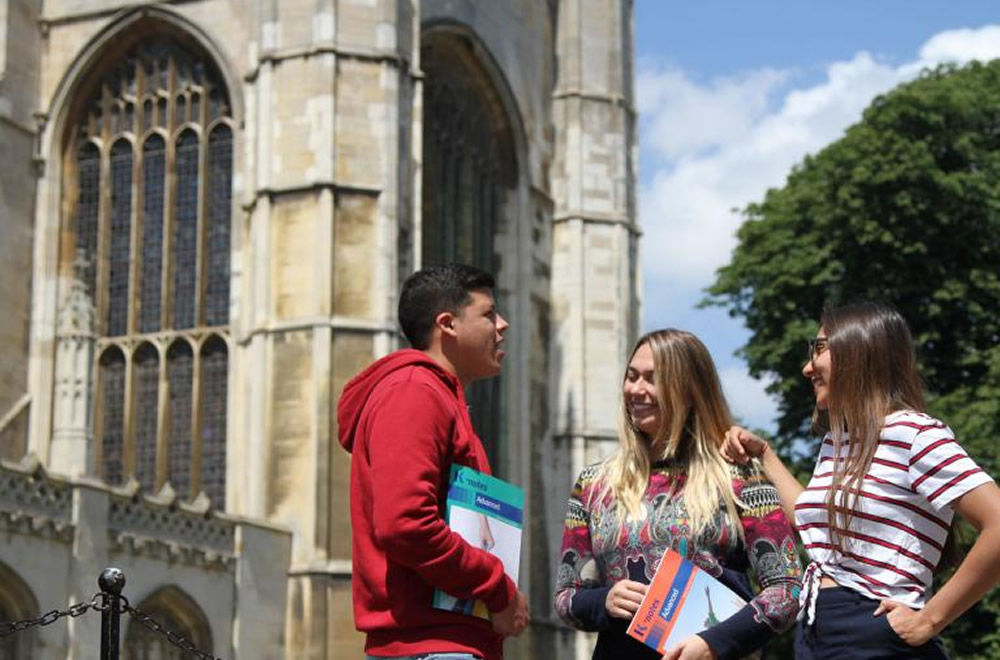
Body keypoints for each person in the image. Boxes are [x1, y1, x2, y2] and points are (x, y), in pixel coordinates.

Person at [724, 301, 1000, 660]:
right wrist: (764, 456)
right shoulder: (837, 444)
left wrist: (931, 620)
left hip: (874, 633)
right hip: (817, 632)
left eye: (820, 348)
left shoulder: (914, 433)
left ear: (858, 350)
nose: (808, 368)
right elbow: (811, 522)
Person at [554, 329, 802, 660]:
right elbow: (566, 598)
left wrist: (715, 642)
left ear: (688, 390)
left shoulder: (740, 476)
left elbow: (787, 589)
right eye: (631, 377)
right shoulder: (594, 483)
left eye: (652, 379)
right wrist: (604, 601)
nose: (636, 390)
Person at [338, 263, 530, 660]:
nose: (503, 324)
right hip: (429, 646)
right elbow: (406, 525)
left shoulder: (437, 397)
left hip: (449, 642)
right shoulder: (414, 392)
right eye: (489, 313)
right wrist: (497, 587)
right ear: (448, 324)